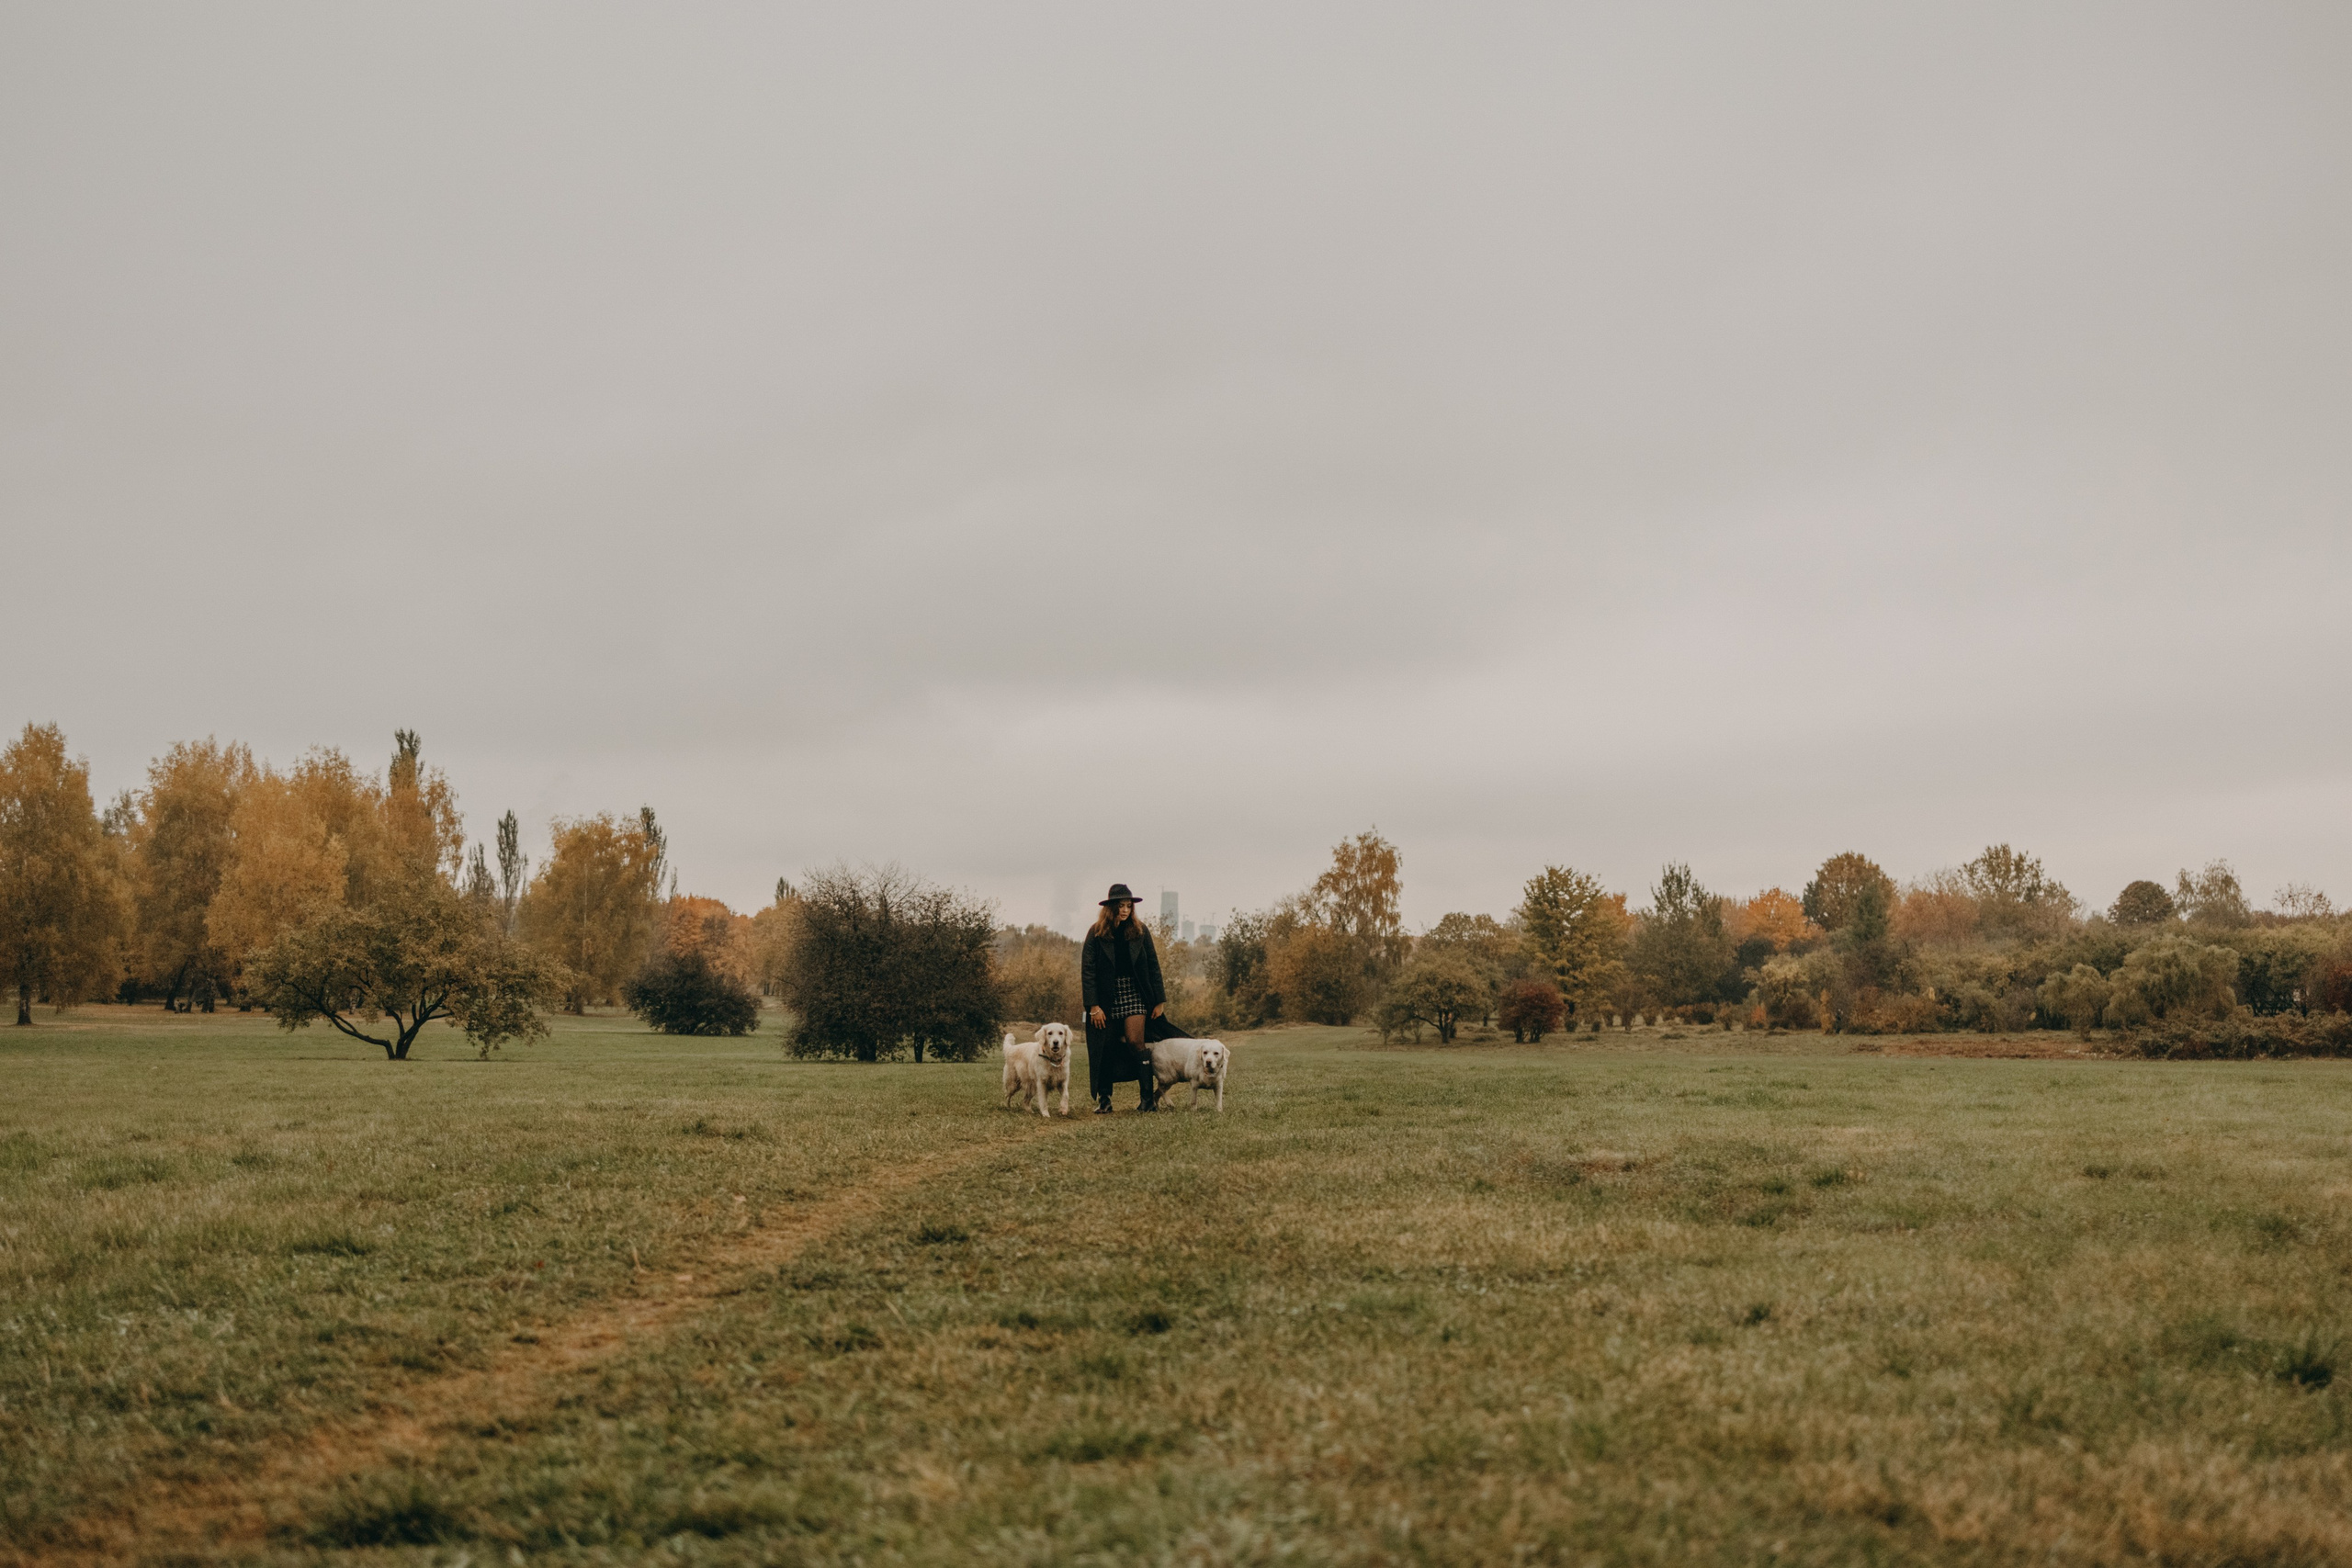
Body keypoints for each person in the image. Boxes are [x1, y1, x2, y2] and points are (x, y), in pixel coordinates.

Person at [1080, 883, 1167, 1114]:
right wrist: (1093, 1006)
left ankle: (1147, 1100)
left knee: (1135, 1042)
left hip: (1135, 993)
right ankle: (1105, 1100)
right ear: (1110, 908)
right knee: (1105, 1047)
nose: (1125, 910)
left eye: (1129, 906)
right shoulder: (1096, 933)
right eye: (1121, 906)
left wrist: (1159, 1000)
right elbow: (1087, 971)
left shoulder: (1140, 931)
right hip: (1105, 999)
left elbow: (1152, 965)